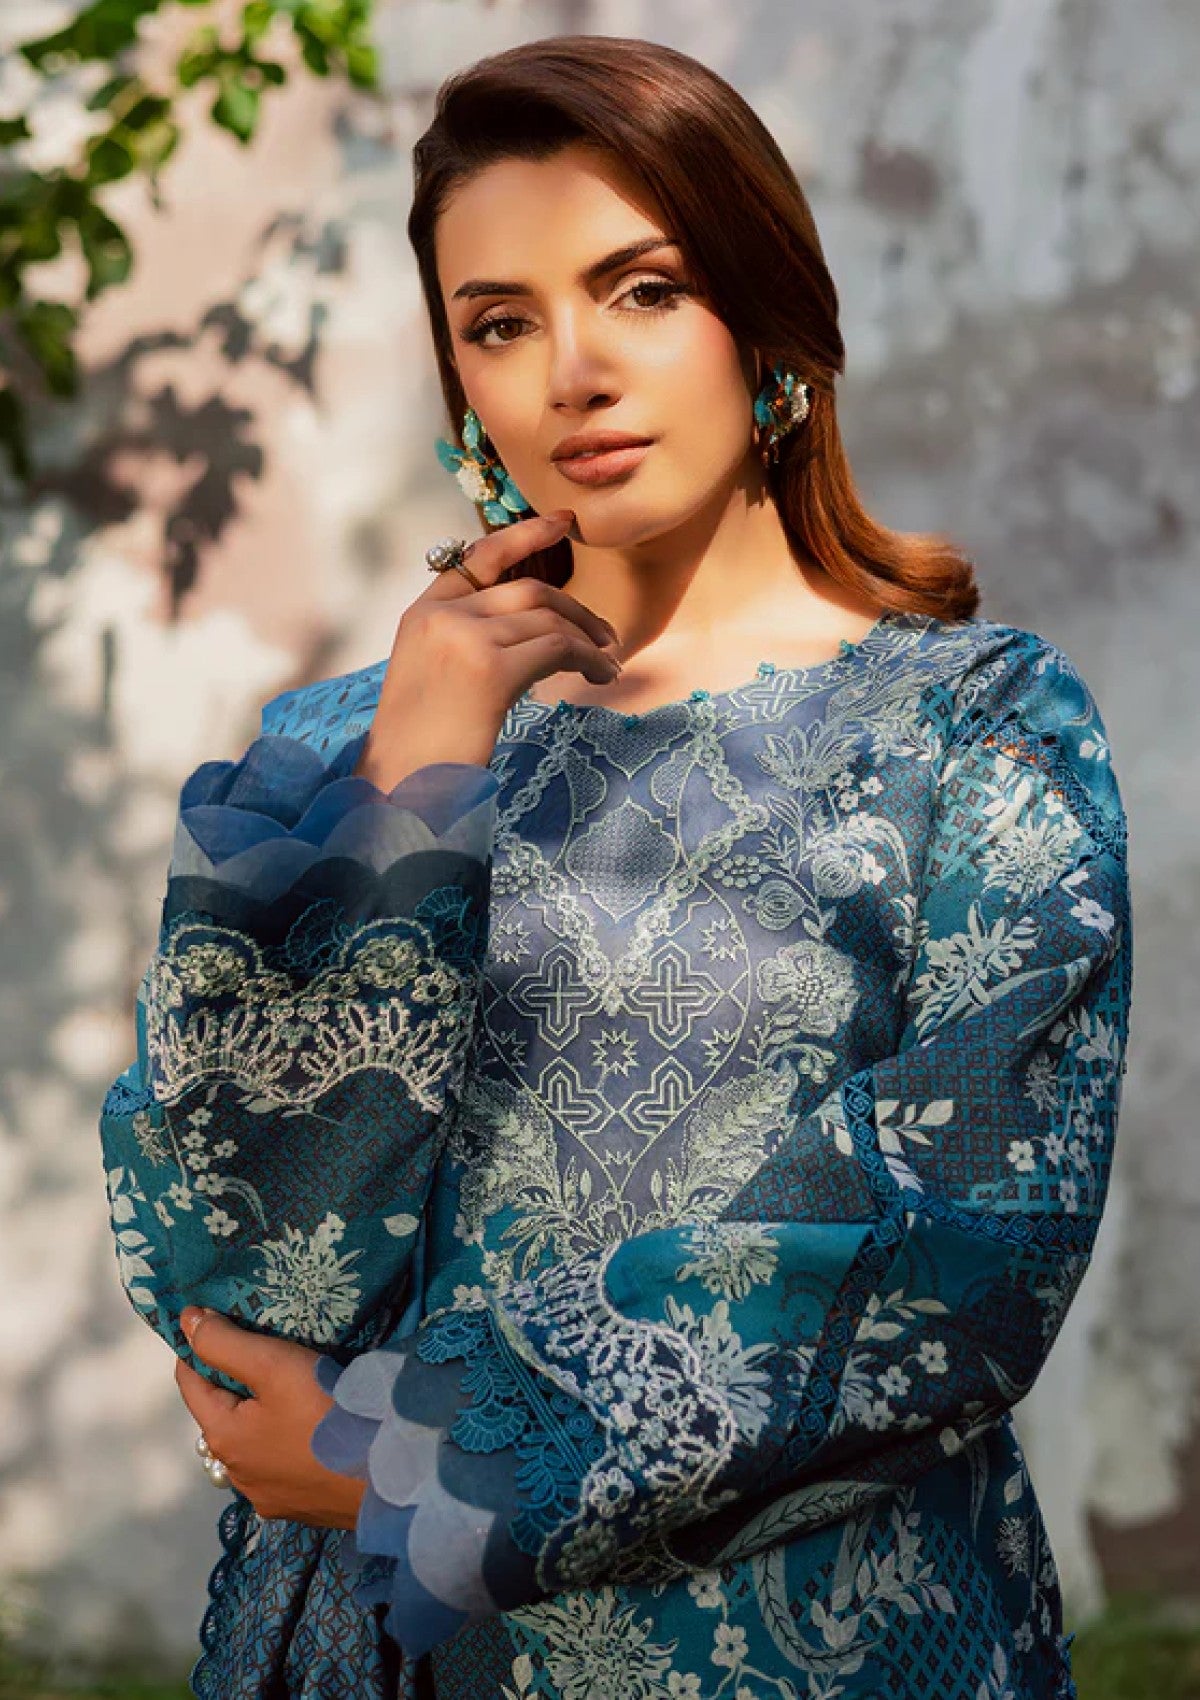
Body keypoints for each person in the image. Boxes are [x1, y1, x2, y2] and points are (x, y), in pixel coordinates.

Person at [98, 33, 1132, 1700]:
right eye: (500, 322)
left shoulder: (977, 729)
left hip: (809, 1650)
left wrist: (419, 1459)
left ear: (767, 325)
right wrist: (419, 778)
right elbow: (231, 1263)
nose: (572, 372)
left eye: (643, 291)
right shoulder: (332, 751)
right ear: (463, 386)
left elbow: (966, 1241)